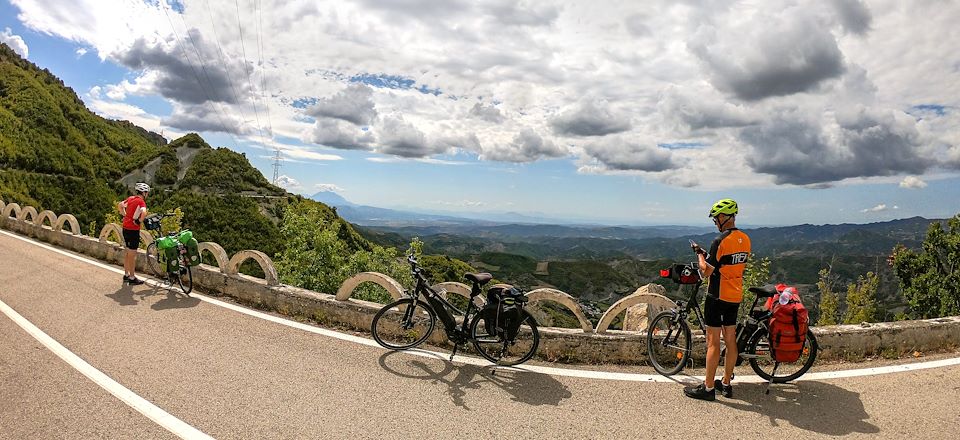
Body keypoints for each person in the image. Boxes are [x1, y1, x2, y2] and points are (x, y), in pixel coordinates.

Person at [685, 198, 751, 401]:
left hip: (717, 296)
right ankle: (726, 384)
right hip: (735, 295)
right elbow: (728, 264)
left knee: (712, 342)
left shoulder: (720, 241)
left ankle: (708, 388)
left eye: (716, 218)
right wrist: (710, 256)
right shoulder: (745, 239)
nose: (715, 221)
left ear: (724, 217)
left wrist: (699, 256)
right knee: (730, 341)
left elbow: (706, 272)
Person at [118, 182, 150, 285]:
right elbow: (144, 212)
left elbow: (120, 205)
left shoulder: (131, 198)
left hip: (125, 227)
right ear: (144, 193)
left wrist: (125, 215)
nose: (147, 195)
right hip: (133, 230)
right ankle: (132, 277)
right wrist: (138, 221)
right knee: (132, 254)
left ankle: (126, 275)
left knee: (128, 252)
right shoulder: (141, 202)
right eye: (147, 193)